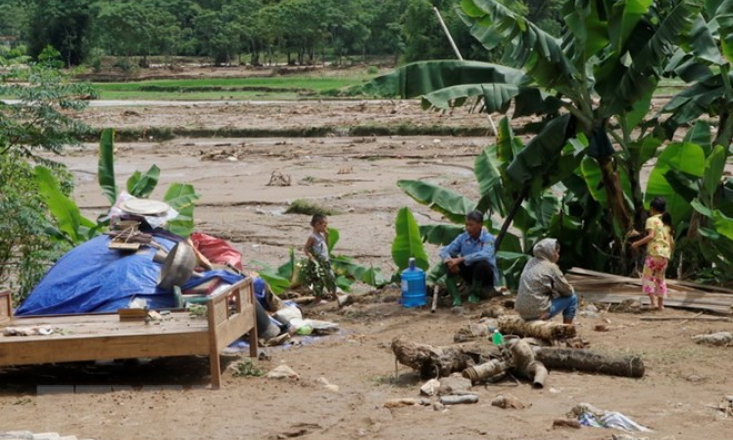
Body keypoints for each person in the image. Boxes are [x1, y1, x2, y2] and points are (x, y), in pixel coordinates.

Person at [433, 210, 499, 306]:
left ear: (480, 225)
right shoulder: (463, 237)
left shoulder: (488, 238)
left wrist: (461, 259)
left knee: (481, 264)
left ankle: (474, 294)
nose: (468, 228)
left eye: (471, 225)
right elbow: (445, 250)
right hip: (469, 274)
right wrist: (449, 261)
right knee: (449, 262)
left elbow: (486, 254)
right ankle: (456, 297)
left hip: (486, 276)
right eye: (466, 225)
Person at [515, 238, 577, 324]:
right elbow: (567, 291)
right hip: (539, 312)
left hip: (522, 312)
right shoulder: (551, 267)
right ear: (550, 252)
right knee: (572, 298)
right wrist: (571, 288)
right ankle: (567, 327)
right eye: (557, 252)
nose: (558, 256)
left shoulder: (530, 262)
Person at [631, 197, 674, 311]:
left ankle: (653, 303)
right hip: (665, 254)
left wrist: (636, 243)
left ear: (652, 209)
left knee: (647, 277)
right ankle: (660, 305)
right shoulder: (667, 222)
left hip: (654, 253)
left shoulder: (651, 220)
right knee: (660, 278)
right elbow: (672, 241)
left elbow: (650, 236)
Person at [303, 214, 337, 298]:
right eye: (324, 225)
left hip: (325, 260)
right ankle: (318, 297)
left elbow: (326, 246)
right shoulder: (312, 237)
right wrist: (311, 257)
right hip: (318, 262)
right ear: (317, 225)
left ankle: (333, 294)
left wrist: (327, 236)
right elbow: (306, 248)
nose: (326, 227)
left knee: (331, 277)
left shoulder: (321, 235)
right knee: (318, 280)